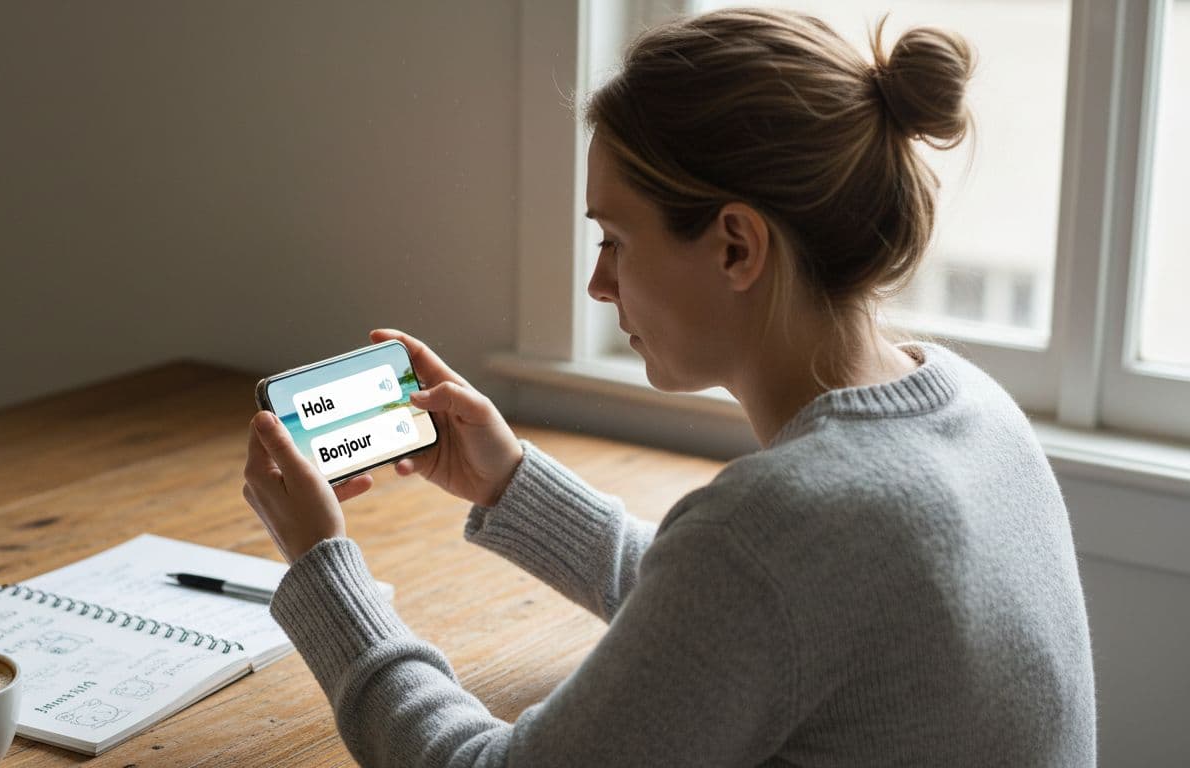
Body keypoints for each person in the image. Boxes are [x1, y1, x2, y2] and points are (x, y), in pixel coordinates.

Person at [241, 8, 1096, 766]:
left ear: (736, 246)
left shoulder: (781, 526)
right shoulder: (973, 409)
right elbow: (748, 617)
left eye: (614, 238)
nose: (598, 285)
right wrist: (512, 483)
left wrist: (325, 573)